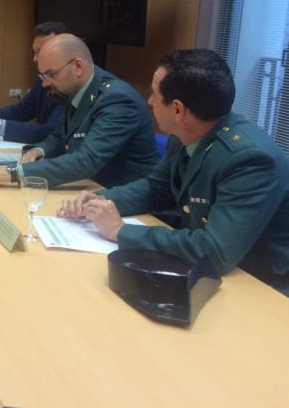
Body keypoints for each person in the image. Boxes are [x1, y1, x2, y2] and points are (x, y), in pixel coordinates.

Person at [58, 49, 289, 294]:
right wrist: (101, 201)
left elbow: (216, 251)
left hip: (259, 284)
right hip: (210, 273)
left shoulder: (250, 159)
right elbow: (154, 188)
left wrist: (120, 231)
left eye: (155, 95)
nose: (149, 101)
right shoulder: (185, 136)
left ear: (178, 110)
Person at [0, 34, 158, 188]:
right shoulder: (80, 88)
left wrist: (13, 173)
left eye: (51, 74)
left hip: (123, 198)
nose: (46, 82)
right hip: (89, 188)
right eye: (43, 75)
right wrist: (40, 150)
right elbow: (60, 135)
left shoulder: (116, 99)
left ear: (78, 66)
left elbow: (86, 161)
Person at [0, 21, 67, 143]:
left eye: (40, 51)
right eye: (34, 52)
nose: (34, 58)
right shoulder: (42, 79)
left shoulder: (70, 87)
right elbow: (19, 112)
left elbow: (46, 132)